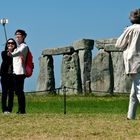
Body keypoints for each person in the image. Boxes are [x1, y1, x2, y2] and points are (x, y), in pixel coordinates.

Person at [115, 8, 140, 120]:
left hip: (135, 61)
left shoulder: (131, 29)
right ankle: (130, 116)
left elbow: (119, 44)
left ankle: (131, 116)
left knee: (139, 89)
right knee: (134, 93)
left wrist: (125, 31)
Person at [8, 29, 28, 114]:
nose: (17, 36)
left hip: (20, 72)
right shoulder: (18, 47)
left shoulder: (24, 46)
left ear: (23, 36)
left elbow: (18, 53)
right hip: (15, 72)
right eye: (16, 34)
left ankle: (22, 110)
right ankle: (21, 109)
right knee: (18, 91)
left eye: (19, 34)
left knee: (19, 91)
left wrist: (11, 53)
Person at [0, 38, 17, 114]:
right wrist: (9, 53)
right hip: (4, 76)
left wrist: (12, 54)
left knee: (11, 94)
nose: (10, 44)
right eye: (8, 43)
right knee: (4, 93)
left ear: (14, 45)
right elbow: (5, 60)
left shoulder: (17, 53)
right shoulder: (3, 53)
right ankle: (4, 109)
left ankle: (9, 109)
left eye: (12, 43)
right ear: (7, 45)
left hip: (13, 76)